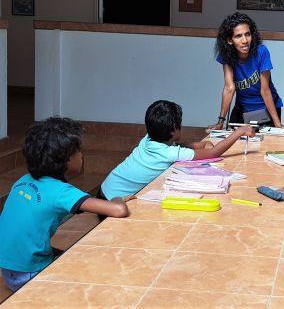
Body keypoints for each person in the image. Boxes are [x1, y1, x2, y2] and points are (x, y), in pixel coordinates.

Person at [0, 118, 132, 292]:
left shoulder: (23, 181)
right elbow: (118, 210)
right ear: (66, 160)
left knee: (72, 254)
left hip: (8, 270)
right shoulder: (61, 192)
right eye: (78, 151)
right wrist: (118, 198)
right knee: (97, 271)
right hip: (29, 275)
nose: (82, 155)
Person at [101, 100, 254, 200]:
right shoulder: (170, 153)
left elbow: (177, 147)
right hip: (111, 200)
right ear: (174, 130)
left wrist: (200, 145)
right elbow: (214, 153)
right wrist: (238, 132)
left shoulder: (148, 138)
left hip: (106, 187)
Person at [210, 12, 284, 130]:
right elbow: (229, 88)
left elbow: (265, 91)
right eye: (238, 36)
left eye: (247, 34)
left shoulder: (261, 52)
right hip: (242, 109)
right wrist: (220, 122)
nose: (245, 40)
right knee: (232, 144)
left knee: (263, 146)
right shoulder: (226, 55)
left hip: (266, 109)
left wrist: (278, 125)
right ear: (230, 40)